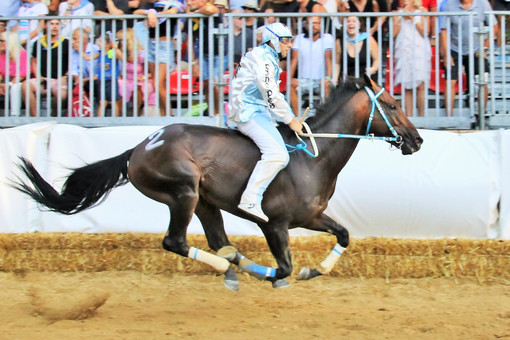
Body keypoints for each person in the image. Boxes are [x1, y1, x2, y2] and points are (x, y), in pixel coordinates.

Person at [229, 22, 303, 222]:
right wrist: (291, 120)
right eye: (286, 40)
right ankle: (250, 199)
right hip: (249, 112)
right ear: (273, 41)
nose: (290, 45)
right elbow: (271, 95)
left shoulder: (267, 57)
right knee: (279, 155)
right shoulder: (263, 60)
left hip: (256, 110)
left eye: (290, 40)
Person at [439, 0, 496, 117]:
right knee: (450, 81)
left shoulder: (483, 3)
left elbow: (494, 27)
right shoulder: (450, 4)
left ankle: (481, 116)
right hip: (454, 47)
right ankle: (449, 118)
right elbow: (443, 31)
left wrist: (485, 47)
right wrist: (446, 54)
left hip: (477, 48)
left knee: (482, 80)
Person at [133, 0, 186, 116]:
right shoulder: (152, 6)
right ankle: (163, 115)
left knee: (158, 83)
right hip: (151, 44)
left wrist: (154, 15)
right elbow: (136, 12)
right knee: (157, 85)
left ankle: (170, 115)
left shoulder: (173, 3)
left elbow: (172, 12)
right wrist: (149, 12)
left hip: (164, 46)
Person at [21, 18, 70, 117]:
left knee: (62, 94)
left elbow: (72, 63)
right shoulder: (38, 42)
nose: (55, 26)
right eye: (51, 24)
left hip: (59, 80)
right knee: (25, 85)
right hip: (43, 79)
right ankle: (35, 118)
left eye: (57, 24)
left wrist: (65, 76)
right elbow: (34, 61)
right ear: (46, 25)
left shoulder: (66, 42)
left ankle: (53, 117)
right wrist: (38, 76)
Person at [392, 0, 431, 117]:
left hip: (419, 50)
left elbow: (425, 32)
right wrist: (402, 17)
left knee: (421, 86)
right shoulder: (398, 13)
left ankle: (422, 117)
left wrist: (413, 19)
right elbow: (393, 33)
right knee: (406, 86)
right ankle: (409, 118)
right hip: (404, 50)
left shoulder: (423, 11)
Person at [289, 16, 334, 115]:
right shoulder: (299, 38)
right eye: (311, 23)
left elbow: (329, 59)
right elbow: (294, 59)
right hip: (304, 80)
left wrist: (327, 77)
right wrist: (290, 78)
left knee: (327, 85)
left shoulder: (327, 38)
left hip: (320, 80)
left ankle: (325, 116)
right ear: (306, 25)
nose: (314, 26)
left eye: (317, 23)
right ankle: (298, 118)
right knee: (290, 86)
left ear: (321, 25)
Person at [116, 27, 156, 115]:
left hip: (140, 80)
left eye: (122, 40)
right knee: (117, 85)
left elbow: (152, 72)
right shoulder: (117, 53)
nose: (120, 43)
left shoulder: (141, 53)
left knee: (138, 88)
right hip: (126, 80)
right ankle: (122, 114)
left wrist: (144, 77)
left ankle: (136, 113)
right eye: (119, 40)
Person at [336, 16, 379, 82]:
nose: (351, 23)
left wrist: (373, 68)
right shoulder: (339, 41)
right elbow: (337, 63)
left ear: (359, 24)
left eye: (354, 21)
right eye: (348, 21)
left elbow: (377, 59)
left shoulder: (369, 39)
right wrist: (335, 79)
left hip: (365, 81)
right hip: (346, 83)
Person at [0, 31, 29, 116]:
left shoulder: (22, 54)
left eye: (2, 40)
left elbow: (22, 75)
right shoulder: (0, 54)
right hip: (5, 81)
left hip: (20, 82)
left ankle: (14, 115)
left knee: (15, 87)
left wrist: (9, 84)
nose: (0, 43)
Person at [94, 32, 122, 116]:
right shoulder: (99, 53)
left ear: (108, 44)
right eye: (98, 41)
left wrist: (116, 48)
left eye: (100, 41)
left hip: (111, 81)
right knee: (102, 102)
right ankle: (100, 122)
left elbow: (121, 57)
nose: (98, 43)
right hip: (101, 81)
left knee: (113, 101)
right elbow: (88, 58)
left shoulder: (111, 52)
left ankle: (114, 121)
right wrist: (80, 50)